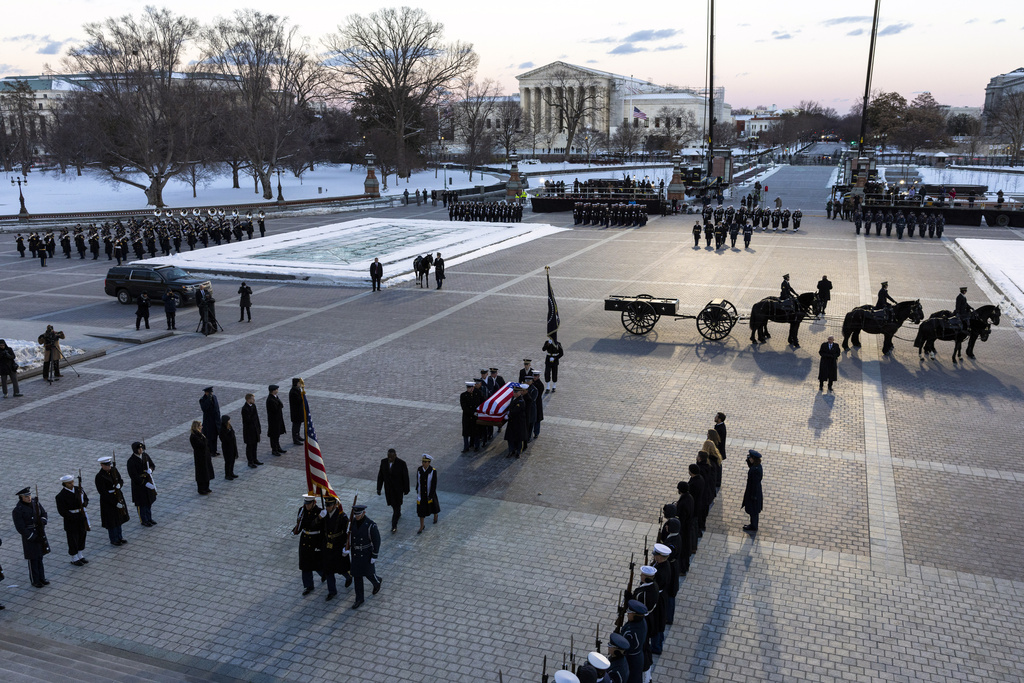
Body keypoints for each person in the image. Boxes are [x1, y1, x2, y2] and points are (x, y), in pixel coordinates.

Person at [346, 504, 382, 609]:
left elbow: (376, 540)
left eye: (359, 514)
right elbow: (349, 535)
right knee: (357, 576)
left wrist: (375, 555)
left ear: (364, 513)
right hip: (356, 554)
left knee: (368, 574)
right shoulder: (351, 523)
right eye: (356, 514)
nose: (357, 516)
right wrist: (346, 547)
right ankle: (359, 599)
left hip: (366, 553)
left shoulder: (370, 525)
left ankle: (377, 582)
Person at [12, 487, 49, 587]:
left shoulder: (35, 503)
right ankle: (35, 580)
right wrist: (32, 536)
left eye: (29, 496)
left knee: (40, 557)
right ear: (21, 498)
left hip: (39, 532)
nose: (28, 498)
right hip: (30, 536)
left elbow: (43, 513)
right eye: (26, 497)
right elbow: (20, 527)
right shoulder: (18, 510)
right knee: (33, 558)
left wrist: (43, 520)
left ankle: (42, 577)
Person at [292, 494, 325, 596]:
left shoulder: (320, 512)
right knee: (305, 564)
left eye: (309, 504)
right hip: (305, 540)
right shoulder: (302, 510)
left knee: (316, 563)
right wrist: (296, 529)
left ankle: (325, 574)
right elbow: (302, 524)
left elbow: (315, 526)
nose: (307, 506)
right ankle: (308, 585)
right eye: (306, 504)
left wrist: (320, 518)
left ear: (314, 503)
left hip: (315, 540)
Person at [321, 496, 352, 601]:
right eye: (326, 505)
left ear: (335, 505)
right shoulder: (324, 515)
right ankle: (332, 591)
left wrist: (346, 546)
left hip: (338, 545)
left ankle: (348, 577)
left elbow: (347, 533)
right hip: (327, 545)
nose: (327, 507)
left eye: (329, 505)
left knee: (340, 568)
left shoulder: (342, 516)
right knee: (328, 569)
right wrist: (319, 518)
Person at [54, 475, 89, 565]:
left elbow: (85, 499)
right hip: (71, 520)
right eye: (69, 483)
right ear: (64, 484)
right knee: (73, 538)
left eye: (72, 482)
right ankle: (74, 557)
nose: (72, 484)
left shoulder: (79, 489)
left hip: (81, 516)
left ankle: (80, 555)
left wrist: (84, 504)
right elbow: (62, 511)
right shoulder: (60, 496)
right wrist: (74, 517)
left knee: (82, 535)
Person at [95, 456, 129, 545]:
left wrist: (119, 485)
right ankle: (114, 539)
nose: (109, 466)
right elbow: (103, 492)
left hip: (118, 496)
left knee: (119, 519)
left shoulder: (114, 470)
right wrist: (115, 503)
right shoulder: (99, 476)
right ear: (102, 465)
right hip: (109, 501)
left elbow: (120, 480)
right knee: (112, 521)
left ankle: (119, 537)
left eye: (109, 464)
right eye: (107, 465)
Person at [377, 448, 410, 534]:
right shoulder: (383, 462)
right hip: (389, 490)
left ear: (395, 455)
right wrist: (379, 488)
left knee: (396, 507)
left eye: (391, 457)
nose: (389, 459)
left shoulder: (402, 464)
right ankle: (398, 513)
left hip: (398, 490)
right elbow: (380, 476)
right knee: (393, 505)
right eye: (388, 457)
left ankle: (394, 525)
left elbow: (405, 477)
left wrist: (406, 489)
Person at [126, 442, 157, 526]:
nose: (141, 450)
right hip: (139, 485)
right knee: (141, 504)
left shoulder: (145, 456)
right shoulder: (131, 461)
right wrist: (144, 483)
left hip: (148, 480)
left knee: (148, 502)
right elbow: (133, 476)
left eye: (141, 448)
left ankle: (149, 518)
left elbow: (152, 465)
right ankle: (143, 520)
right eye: (139, 449)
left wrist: (150, 469)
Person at [619, 599, 648, 683]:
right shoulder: (642, 622)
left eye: (629, 612)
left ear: (635, 615)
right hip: (639, 656)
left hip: (631, 659)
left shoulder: (630, 632)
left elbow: (624, 647)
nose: (627, 613)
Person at [416, 454, 440, 533]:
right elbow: (418, 481)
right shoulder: (419, 469)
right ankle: (422, 526)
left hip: (430, 493)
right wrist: (417, 489)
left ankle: (435, 515)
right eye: (423, 461)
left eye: (425, 462)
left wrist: (431, 495)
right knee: (421, 511)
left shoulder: (433, 471)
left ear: (429, 463)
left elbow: (434, 483)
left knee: (433, 506)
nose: (423, 463)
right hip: (422, 494)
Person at [189, 421, 214, 495]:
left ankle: (206, 487)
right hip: (200, 457)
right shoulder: (194, 436)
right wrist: (204, 439)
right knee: (201, 473)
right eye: (200, 425)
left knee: (206, 472)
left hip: (205, 455)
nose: (201, 427)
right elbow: (202, 444)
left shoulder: (200, 434)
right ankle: (201, 489)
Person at [742, 450, 764, 532]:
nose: (749, 459)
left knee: (753, 510)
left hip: (754, 493)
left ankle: (754, 526)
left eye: (750, 458)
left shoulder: (755, 470)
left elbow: (754, 483)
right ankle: (753, 524)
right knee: (753, 510)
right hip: (754, 492)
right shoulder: (757, 467)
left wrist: (753, 495)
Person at [241, 393, 263, 468]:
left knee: (255, 445)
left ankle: (255, 459)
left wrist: (259, 428)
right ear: (248, 400)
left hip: (255, 429)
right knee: (250, 446)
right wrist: (253, 416)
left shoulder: (253, 406)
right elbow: (247, 420)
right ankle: (250, 461)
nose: (254, 400)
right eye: (252, 399)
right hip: (249, 431)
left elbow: (257, 418)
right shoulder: (245, 409)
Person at [266, 384, 287, 456]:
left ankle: (278, 447)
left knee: (277, 435)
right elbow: (276, 409)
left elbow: (280, 405)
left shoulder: (275, 397)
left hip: (278, 419)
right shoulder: (270, 400)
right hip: (273, 421)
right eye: (276, 389)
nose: (277, 390)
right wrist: (279, 405)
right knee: (274, 436)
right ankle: (274, 449)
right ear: (273, 391)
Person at [199, 387, 221, 455]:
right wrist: (208, 399)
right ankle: (209, 451)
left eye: (211, 392)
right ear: (206, 393)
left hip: (215, 420)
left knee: (215, 436)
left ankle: (214, 451)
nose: (211, 394)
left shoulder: (214, 397)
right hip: (208, 421)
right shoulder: (202, 400)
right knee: (209, 437)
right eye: (209, 393)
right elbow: (204, 408)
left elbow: (217, 409)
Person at [460, 381, 480, 452]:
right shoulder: (463, 395)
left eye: (470, 388)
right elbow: (464, 407)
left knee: (475, 432)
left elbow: (480, 402)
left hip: (475, 417)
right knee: (466, 433)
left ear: (473, 388)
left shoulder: (477, 394)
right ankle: (466, 447)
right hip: (467, 417)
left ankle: (476, 446)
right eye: (468, 388)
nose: (469, 389)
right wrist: (473, 413)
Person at [219, 415, 239, 480]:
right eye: (229, 420)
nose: (230, 421)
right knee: (228, 461)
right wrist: (230, 434)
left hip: (232, 446)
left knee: (232, 460)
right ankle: (227, 474)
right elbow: (224, 439)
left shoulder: (229, 426)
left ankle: (231, 472)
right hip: (227, 448)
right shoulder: (222, 429)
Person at [288, 378, 305, 446]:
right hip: (296, 412)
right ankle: (295, 439)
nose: (300, 384)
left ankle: (298, 436)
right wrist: (302, 396)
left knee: (299, 424)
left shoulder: (297, 390)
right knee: (295, 425)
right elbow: (298, 401)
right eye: (299, 383)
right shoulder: (293, 392)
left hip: (299, 411)